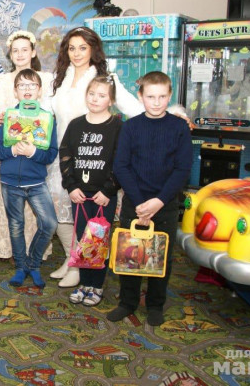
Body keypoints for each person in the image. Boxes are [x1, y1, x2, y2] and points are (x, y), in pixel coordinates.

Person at [48, 27, 143, 288]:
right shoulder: (60, 78)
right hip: (63, 157)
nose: (76, 53)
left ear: (93, 50)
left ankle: (81, 267)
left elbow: (133, 107)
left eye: (83, 48)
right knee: (61, 214)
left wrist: (167, 116)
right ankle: (72, 259)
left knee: (89, 218)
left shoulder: (104, 78)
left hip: (94, 160)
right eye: (71, 48)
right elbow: (44, 109)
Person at [108, 71, 191, 327]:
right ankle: (127, 302)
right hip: (135, 203)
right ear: (140, 96)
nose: (156, 102)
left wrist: (158, 201)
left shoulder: (179, 127)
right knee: (130, 255)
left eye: (162, 97)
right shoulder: (130, 127)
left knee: (160, 257)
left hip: (165, 204)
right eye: (151, 97)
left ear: (170, 95)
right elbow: (121, 166)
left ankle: (155, 304)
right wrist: (140, 203)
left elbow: (182, 169)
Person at [0, 69, 58, 288]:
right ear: (15, 91)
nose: (27, 89)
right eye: (22, 85)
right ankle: (21, 267)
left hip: (36, 182)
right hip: (10, 182)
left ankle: (33, 264)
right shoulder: (8, 117)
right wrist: (12, 151)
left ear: (39, 90)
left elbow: (51, 154)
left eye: (32, 85)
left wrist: (32, 152)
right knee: (16, 225)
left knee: (49, 223)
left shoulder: (47, 119)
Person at [59, 75, 123, 307]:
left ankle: (96, 286)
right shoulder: (76, 124)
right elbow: (65, 155)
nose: (95, 99)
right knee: (82, 240)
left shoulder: (117, 126)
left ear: (111, 100)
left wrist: (108, 190)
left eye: (102, 95)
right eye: (92, 94)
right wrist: (71, 186)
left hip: (103, 197)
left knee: (99, 241)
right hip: (79, 195)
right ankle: (84, 284)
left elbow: (120, 161)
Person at [0, 31, 52, 262]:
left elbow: (48, 112)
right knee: (10, 204)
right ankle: (9, 249)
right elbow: (1, 114)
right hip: (11, 146)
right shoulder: (3, 80)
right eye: (15, 50)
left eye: (25, 49)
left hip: (37, 145)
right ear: (10, 54)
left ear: (33, 52)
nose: (20, 54)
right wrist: (4, 119)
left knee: (36, 204)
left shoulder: (46, 78)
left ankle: (34, 250)